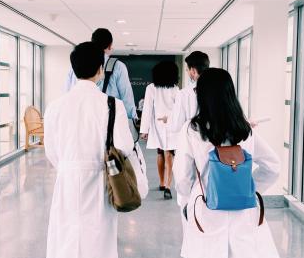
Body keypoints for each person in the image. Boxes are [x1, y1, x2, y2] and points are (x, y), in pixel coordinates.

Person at [173, 68, 285, 258]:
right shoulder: (245, 130)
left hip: (205, 211)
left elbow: (181, 176)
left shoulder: (193, 130)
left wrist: (187, 200)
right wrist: (250, 189)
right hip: (240, 214)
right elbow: (273, 166)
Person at [44, 42, 134, 258]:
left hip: (68, 181)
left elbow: (51, 153)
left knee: (69, 252)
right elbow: (122, 148)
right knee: (98, 248)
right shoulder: (112, 105)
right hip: (99, 180)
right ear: (100, 69)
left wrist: (69, 166)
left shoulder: (55, 106)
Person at [65, 28, 137, 119]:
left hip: (78, 117)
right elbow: (126, 97)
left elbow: (67, 92)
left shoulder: (76, 65)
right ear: (110, 46)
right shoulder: (118, 66)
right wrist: (131, 119)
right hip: (109, 119)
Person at [140, 61, 180, 200]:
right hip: (171, 124)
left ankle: (162, 183)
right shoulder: (175, 88)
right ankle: (168, 186)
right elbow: (178, 110)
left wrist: (144, 130)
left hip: (157, 125)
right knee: (170, 154)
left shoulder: (151, 88)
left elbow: (147, 109)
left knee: (160, 153)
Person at [170, 51, 210, 133]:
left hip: (194, 141)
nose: (186, 71)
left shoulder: (184, 93)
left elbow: (176, 126)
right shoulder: (220, 87)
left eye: (187, 69)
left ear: (193, 70)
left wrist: (169, 120)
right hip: (219, 140)